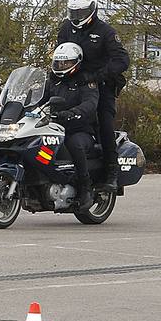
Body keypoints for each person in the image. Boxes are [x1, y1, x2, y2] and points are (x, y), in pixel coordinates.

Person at [57, 0, 131, 193]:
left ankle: (111, 172)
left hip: (102, 83)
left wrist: (96, 76)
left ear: (91, 10)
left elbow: (122, 60)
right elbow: (60, 51)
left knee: (104, 122)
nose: (76, 17)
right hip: (72, 82)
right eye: (73, 12)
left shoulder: (106, 32)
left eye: (80, 12)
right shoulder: (66, 27)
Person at [41, 42, 101, 211]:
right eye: (58, 63)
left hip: (80, 129)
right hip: (54, 127)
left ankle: (85, 187)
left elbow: (90, 103)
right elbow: (39, 99)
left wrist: (72, 112)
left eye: (65, 63)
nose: (61, 66)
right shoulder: (53, 80)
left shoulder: (85, 81)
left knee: (74, 144)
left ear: (77, 62)